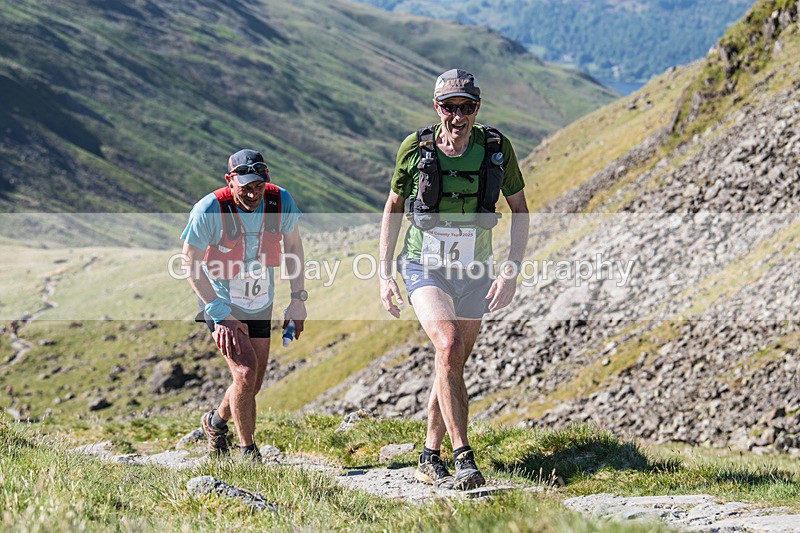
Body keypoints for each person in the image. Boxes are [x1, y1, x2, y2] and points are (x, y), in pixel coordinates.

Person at [379, 69, 529, 490]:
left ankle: (429, 453)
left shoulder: (496, 147)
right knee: (447, 344)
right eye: (449, 107)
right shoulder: (416, 148)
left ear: (476, 108)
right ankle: (464, 456)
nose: (457, 116)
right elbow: (392, 206)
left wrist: (511, 270)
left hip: (476, 271)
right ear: (436, 108)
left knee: (452, 361)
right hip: (423, 265)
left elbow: (521, 209)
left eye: (466, 107)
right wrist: (383, 273)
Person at [181, 148, 308, 461]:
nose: (253, 194)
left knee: (253, 383)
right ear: (229, 181)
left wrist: (297, 299)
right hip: (220, 298)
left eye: (258, 187)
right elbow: (190, 262)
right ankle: (248, 452)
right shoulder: (209, 209)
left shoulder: (280, 201)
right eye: (245, 188)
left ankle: (215, 422)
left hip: (259, 296)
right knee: (245, 373)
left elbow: (293, 248)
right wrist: (219, 314)